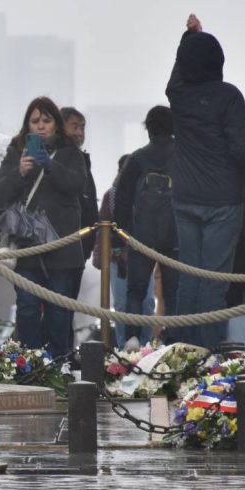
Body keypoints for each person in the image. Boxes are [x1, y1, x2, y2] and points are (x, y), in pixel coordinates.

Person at [165, 13, 245, 350]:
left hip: (185, 196)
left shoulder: (179, 96)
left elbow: (177, 75)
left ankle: (184, 350)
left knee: (188, 278)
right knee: (214, 281)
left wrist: (187, 39)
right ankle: (208, 353)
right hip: (222, 199)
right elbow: (243, 149)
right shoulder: (229, 96)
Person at [0, 97, 85, 359]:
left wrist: (50, 165)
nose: (41, 126)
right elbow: (0, 192)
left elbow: (77, 185)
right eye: (35, 121)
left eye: (47, 120)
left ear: (56, 124)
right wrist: (20, 172)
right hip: (27, 248)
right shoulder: (16, 151)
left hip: (61, 249)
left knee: (59, 312)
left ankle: (58, 364)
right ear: (27, 126)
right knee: (27, 308)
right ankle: (30, 363)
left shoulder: (70, 152)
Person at [114, 105, 179, 347]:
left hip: (141, 238)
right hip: (176, 239)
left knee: (136, 292)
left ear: (148, 128)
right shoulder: (182, 156)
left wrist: (122, 237)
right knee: (173, 293)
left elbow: (121, 200)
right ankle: (172, 340)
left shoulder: (137, 159)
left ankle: (132, 338)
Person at [95, 154, 154, 348]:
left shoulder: (148, 194)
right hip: (117, 258)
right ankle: (123, 349)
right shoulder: (111, 196)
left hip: (144, 255)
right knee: (121, 306)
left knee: (147, 305)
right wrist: (100, 256)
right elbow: (101, 228)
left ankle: (146, 347)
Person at [61, 106, 98, 349]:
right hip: (61, 246)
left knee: (69, 307)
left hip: (79, 247)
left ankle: (66, 351)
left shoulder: (83, 159)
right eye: (74, 126)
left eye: (82, 126)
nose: (80, 132)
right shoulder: (61, 159)